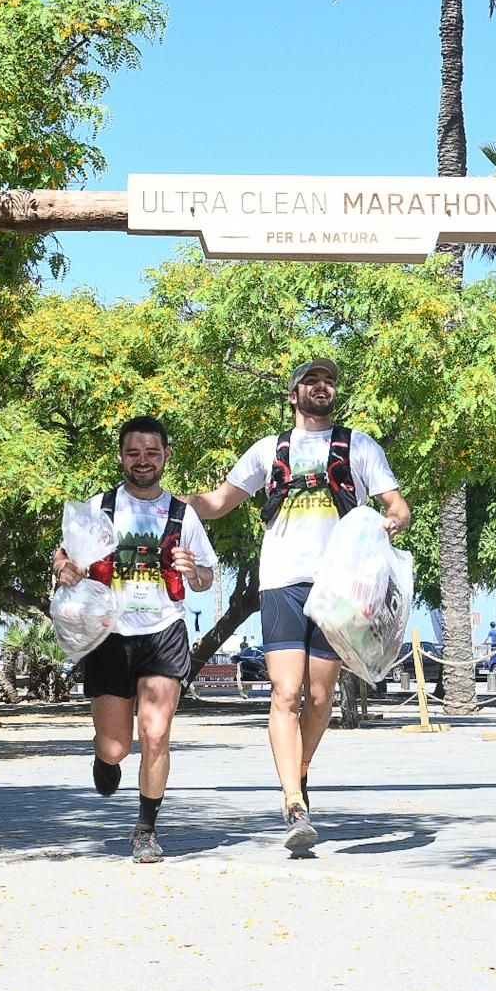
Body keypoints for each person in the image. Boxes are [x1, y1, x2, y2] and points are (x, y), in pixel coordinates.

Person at [181, 358, 410, 852]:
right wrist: (171, 503)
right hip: (282, 582)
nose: (321, 387)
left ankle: (299, 770)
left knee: (321, 697)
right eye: (311, 381)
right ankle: (293, 802)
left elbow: (399, 507)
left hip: (341, 588)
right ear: (293, 395)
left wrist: (389, 523)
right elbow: (219, 501)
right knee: (286, 693)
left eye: (328, 381)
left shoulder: (359, 447)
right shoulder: (269, 451)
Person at [52, 416, 216, 864]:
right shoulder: (100, 506)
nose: (142, 461)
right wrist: (62, 567)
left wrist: (192, 570)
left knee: (157, 733)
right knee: (117, 745)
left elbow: (205, 578)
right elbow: (64, 556)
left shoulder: (184, 515)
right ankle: (105, 762)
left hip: (163, 631)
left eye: (151, 452)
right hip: (109, 635)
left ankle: (146, 828)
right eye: (133, 453)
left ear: (166, 455)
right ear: (121, 456)